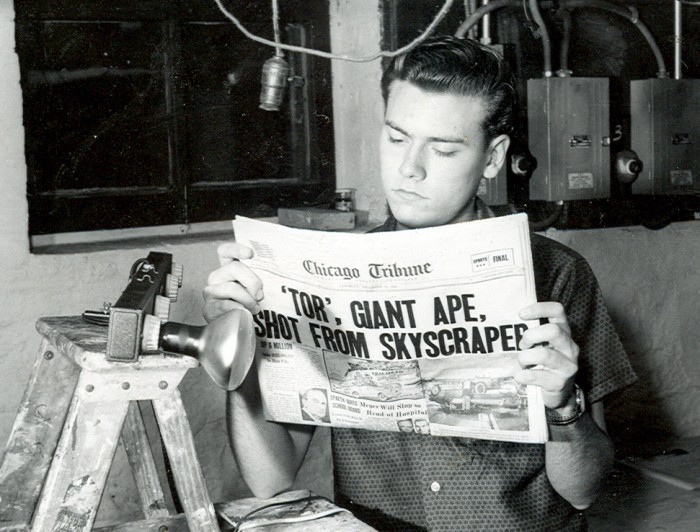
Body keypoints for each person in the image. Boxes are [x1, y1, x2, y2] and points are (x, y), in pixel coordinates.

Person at [203, 35, 637, 531]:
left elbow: (584, 492)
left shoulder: (557, 273)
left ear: (493, 157)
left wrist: (563, 407)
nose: (409, 170)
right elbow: (269, 479)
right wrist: (238, 355)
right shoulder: (328, 276)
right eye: (396, 138)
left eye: (444, 150)